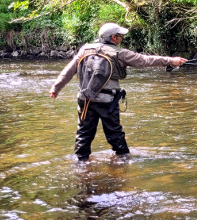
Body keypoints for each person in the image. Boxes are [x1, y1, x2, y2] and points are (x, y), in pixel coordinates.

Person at [49, 23, 187, 161]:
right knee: (114, 132)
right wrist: (171, 61)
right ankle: (124, 161)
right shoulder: (120, 53)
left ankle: (81, 163)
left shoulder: (84, 50)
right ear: (113, 37)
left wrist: (56, 88)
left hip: (85, 100)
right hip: (107, 101)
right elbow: (145, 60)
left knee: (83, 133)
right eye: (120, 36)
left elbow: (69, 70)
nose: (122, 38)